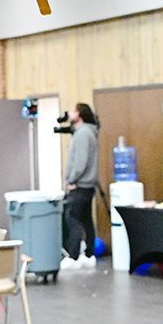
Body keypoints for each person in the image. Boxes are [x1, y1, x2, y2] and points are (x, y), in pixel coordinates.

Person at [60, 102, 99, 268]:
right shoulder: (89, 132)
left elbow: (80, 162)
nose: (69, 113)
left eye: (73, 111)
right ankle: (89, 254)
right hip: (87, 185)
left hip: (80, 185)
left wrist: (71, 179)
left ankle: (73, 255)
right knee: (86, 219)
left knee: (72, 218)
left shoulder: (83, 134)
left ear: (80, 114)